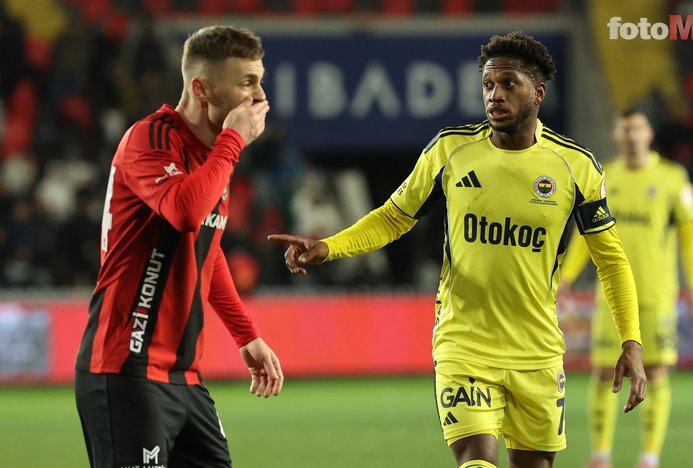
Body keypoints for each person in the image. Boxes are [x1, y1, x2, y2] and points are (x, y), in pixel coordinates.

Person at [269, 32, 646, 468]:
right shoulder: (451, 150)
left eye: (508, 84)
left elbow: (611, 262)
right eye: (488, 84)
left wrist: (631, 342)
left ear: (538, 93)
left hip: (538, 351)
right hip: (464, 343)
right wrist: (329, 246)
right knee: (476, 459)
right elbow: (394, 217)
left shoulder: (576, 167)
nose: (494, 95)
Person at [74, 26, 284, 468]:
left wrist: (246, 334)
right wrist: (233, 141)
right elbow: (185, 212)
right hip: (126, 368)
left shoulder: (211, 156)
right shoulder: (149, 138)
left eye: (260, 81)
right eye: (247, 82)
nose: (260, 96)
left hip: (184, 377)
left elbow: (207, 245)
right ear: (201, 88)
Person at [559, 109, 693, 468]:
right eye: (625, 129)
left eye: (637, 128)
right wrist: (566, 276)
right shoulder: (604, 177)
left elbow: (690, 236)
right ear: (616, 136)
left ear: (649, 133)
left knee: (655, 371)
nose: (632, 135)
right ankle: (600, 455)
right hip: (612, 296)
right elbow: (585, 235)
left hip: (656, 295)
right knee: (602, 371)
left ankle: (649, 456)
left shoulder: (672, 177)